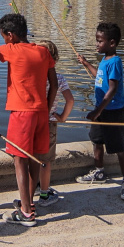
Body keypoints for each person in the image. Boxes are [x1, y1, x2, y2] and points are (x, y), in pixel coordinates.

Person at [0, 14, 57, 226]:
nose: (4, 41)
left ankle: (26, 213)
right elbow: (53, 84)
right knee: (35, 157)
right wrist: (47, 106)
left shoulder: (11, 49)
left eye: (4, 37)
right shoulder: (43, 51)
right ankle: (29, 202)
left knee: (19, 159)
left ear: (10, 35)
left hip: (21, 113)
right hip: (41, 112)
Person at [76, 22, 124, 202]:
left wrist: (97, 110)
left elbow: (112, 90)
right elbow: (99, 76)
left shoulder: (115, 61)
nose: (96, 44)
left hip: (113, 111)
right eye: (96, 40)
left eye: (100, 41)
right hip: (100, 110)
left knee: (119, 148)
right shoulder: (104, 60)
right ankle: (99, 171)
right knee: (97, 141)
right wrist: (86, 63)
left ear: (112, 43)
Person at [34, 40, 74, 207]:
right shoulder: (59, 78)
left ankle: (33, 187)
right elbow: (70, 100)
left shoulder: (33, 77)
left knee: (32, 157)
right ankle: (44, 193)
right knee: (45, 160)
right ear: (55, 60)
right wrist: (63, 117)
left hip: (32, 121)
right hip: (49, 122)